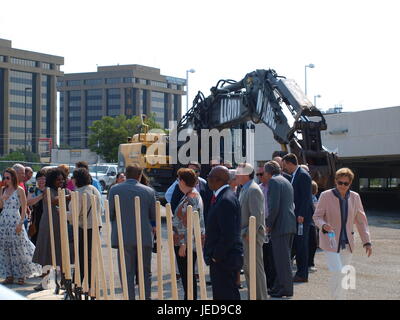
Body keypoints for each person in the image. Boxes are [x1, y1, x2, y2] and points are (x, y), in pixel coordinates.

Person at [313, 168, 372, 300]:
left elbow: (361, 221)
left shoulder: (355, 197)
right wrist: (323, 225)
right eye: (340, 183)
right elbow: (316, 216)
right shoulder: (325, 196)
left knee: (344, 275)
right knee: (337, 272)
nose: (342, 186)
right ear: (335, 181)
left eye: (346, 183)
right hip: (330, 241)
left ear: (350, 183)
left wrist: (367, 241)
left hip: (348, 243)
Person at [108, 164, 156, 300]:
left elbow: (111, 213)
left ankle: (129, 298)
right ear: (140, 175)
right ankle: (146, 297)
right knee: (145, 272)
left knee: (127, 272)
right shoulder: (149, 191)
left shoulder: (114, 190)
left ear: (126, 174)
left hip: (124, 236)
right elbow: (153, 216)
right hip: (144, 236)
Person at [204, 166, 243, 300]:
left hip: (224, 259)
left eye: (209, 177)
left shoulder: (225, 200)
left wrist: (216, 255)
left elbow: (228, 234)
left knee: (226, 295)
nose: (207, 179)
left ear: (217, 180)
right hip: (224, 259)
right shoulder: (223, 196)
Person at [0, 168, 41, 285]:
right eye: (4, 178)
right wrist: (2, 198)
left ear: (13, 177)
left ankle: (22, 275)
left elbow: (24, 207)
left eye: (7, 177)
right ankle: (9, 275)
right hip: (4, 220)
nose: (6, 180)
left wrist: (21, 222)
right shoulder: (2, 189)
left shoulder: (20, 190)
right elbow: (1, 206)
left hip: (15, 219)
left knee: (19, 248)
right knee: (5, 248)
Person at [32, 168, 71, 291]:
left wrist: (68, 195)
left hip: (61, 225)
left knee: (62, 253)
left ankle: (64, 282)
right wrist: (68, 196)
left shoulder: (66, 190)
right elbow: (53, 201)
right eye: (58, 179)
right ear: (52, 180)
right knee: (46, 254)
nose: (61, 181)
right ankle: (44, 282)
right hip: (48, 225)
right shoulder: (48, 190)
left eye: (62, 179)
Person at [264, 161, 297, 298]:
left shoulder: (274, 182)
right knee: (283, 259)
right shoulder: (285, 180)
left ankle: (286, 289)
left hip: (280, 226)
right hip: (288, 224)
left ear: (268, 172)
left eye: (264, 172)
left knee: (282, 260)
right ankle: (279, 286)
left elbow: (274, 207)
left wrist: (268, 224)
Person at [236, 163, 268, 300]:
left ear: (245, 174)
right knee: (249, 270)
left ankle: (259, 297)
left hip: (251, 237)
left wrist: (250, 233)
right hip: (246, 236)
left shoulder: (253, 190)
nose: (236, 175)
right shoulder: (245, 188)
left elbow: (257, 215)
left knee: (255, 269)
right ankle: (253, 296)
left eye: (238, 172)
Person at [172, 168, 204, 300]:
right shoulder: (191, 195)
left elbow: (190, 224)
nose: (178, 182)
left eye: (179, 180)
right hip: (186, 242)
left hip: (185, 244)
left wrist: (184, 243)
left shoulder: (191, 198)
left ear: (183, 181)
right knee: (187, 277)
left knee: (187, 276)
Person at [282, 153, 314, 283]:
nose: (285, 168)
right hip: (298, 216)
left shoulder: (303, 175)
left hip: (302, 218)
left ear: (290, 163)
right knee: (298, 244)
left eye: (285, 166)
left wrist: (301, 214)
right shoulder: (296, 175)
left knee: (302, 245)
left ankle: (302, 274)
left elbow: (306, 197)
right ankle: (300, 272)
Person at [68, 168, 102, 288]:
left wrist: (62, 212)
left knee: (83, 257)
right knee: (90, 257)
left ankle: (80, 283)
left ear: (77, 179)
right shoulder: (94, 189)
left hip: (84, 228)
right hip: (96, 225)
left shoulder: (79, 193)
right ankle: (90, 283)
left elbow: (73, 215)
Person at [257, 165, 277, 293]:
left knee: (273, 256)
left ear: (268, 174)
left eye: (261, 174)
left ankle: (273, 283)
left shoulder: (275, 187)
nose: (259, 177)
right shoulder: (258, 189)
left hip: (273, 224)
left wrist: (270, 223)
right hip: (261, 224)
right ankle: (266, 283)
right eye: (257, 175)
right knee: (264, 255)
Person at [27, 170, 47, 245]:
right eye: (39, 179)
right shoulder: (33, 190)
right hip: (36, 220)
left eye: (43, 178)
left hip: (47, 219)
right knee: (35, 241)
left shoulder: (50, 190)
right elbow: (28, 202)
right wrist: (41, 196)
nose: (41, 181)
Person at [309, 180, 320, 272]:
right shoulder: (314, 199)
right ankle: (310, 264)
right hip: (312, 224)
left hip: (309, 223)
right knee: (312, 244)